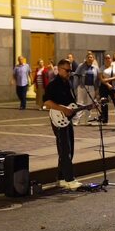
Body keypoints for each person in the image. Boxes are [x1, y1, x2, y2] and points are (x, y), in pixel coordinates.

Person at [43, 59, 82, 190]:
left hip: (67, 120)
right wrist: (63, 109)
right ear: (59, 70)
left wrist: (86, 107)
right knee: (65, 149)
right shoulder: (53, 85)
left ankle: (61, 178)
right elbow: (46, 102)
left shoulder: (68, 83)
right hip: (58, 119)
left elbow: (71, 103)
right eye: (67, 70)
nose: (69, 72)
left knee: (69, 148)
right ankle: (70, 179)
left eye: (70, 70)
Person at [73, 52, 100, 125]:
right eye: (89, 57)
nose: (90, 59)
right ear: (86, 58)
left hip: (91, 87)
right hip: (82, 86)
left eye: (91, 57)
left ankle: (87, 120)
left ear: (93, 59)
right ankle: (76, 120)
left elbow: (97, 80)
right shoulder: (81, 66)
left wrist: (97, 90)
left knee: (89, 104)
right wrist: (75, 86)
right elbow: (76, 75)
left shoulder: (95, 68)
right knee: (80, 103)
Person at [99, 54, 115, 123]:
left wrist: (108, 79)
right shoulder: (102, 68)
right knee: (104, 103)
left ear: (111, 59)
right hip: (104, 87)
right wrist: (107, 84)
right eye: (106, 58)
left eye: (109, 58)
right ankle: (105, 120)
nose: (107, 60)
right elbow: (101, 78)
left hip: (114, 87)